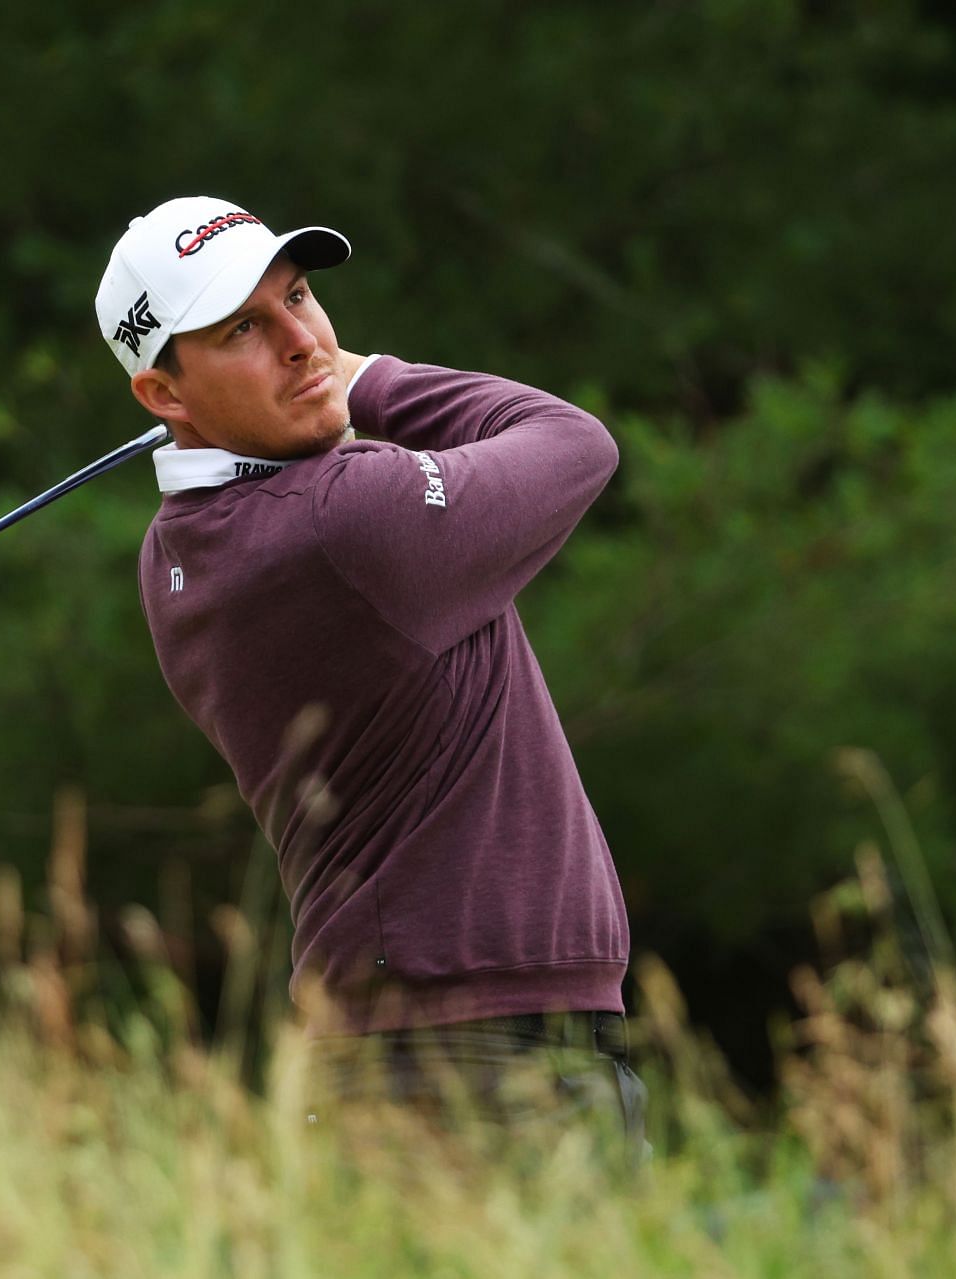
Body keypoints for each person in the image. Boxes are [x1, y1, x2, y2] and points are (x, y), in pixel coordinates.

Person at [95, 196, 648, 1164]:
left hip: (426, 1052)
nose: (302, 341)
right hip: (473, 1070)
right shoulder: (342, 520)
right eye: (244, 330)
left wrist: (314, 393)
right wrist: (369, 377)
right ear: (163, 397)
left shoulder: (176, 549)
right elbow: (572, 443)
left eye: (301, 298)